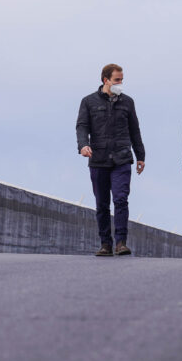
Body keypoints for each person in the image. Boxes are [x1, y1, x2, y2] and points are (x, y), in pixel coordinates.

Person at [76, 63, 146, 256]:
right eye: (117, 80)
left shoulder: (128, 102)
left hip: (122, 158)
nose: (120, 83)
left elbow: (135, 130)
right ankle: (105, 243)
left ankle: (121, 242)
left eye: (122, 79)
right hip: (98, 159)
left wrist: (141, 156)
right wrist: (83, 145)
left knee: (121, 199)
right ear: (105, 80)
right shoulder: (88, 102)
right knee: (102, 204)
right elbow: (82, 126)